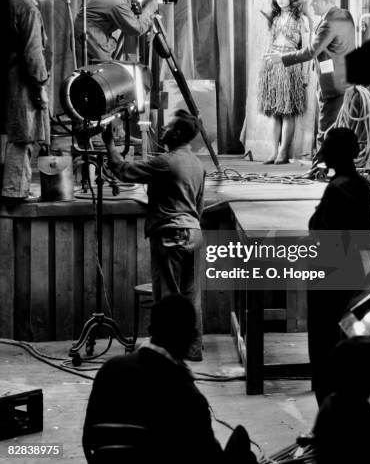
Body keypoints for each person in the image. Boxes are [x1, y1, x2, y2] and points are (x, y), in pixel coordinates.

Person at [83, 294, 257, 464]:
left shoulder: (110, 369)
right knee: (241, 442)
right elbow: (209, 457)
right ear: (191, 338)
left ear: (151, 330)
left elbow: (88, 441)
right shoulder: (187, 395)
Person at [102, 109, 206, 361]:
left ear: (178, 133)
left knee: (167, 295)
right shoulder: (198, 164)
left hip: (170, 234)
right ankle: (192, 348)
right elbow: (199, 206)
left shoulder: (165, 162)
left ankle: (166, 354)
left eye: (168, 127)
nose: (162, 130)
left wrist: (109, 142)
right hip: (194, 233)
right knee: (191, 295)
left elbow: (123, 169)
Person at [306, 127, 370, 404]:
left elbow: (322, 233)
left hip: (328, 273)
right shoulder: (362, 186)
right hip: (352, 270)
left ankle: (327, 411)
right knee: (342, 340)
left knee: (323, 344)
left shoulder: (337, 189)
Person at [268, 0, 355, 177]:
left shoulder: (328, 24)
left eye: (315, 1)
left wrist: (282, 58)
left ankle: (317, 169)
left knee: (325, 129)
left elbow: (310, 52)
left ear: (327, 2)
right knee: (340, 127)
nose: (312, 4)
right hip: (346, 79)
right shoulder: (345, 15)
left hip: (332, 83)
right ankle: (338, 167)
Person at [1, 0, 50, 203]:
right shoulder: (28, 7)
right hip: (22, 80)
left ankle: (15, 189)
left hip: (9, 77)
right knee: (24, 135)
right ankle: (15, 192)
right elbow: (33, 52)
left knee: (16, 134)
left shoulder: (9, 1)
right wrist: (41, 85)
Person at [258, 0, 309, 164]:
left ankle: (283, 152)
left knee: (288, 112)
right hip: (272, 66)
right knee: (274, 111)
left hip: (290, 65)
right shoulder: (275, 18)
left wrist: (305, 75)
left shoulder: (301, 19)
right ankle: (273, 151)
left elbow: (307, 49)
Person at [74, 0, 157, 64]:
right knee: (101, 74)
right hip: (91, 36)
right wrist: (151, 8)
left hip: (86, 32)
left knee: (93, 74)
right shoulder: (118, 0)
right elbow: (136, 29)